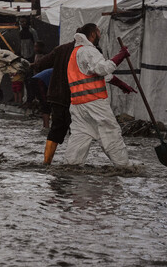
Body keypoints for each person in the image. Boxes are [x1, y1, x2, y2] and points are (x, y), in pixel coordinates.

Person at [62, 23, 138, 167]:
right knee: (110, 132)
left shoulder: (76, 52)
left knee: (80, 136)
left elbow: (98, 76)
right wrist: (121, 56)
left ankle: (71, 166)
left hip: (78, 105)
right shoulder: (89, 51)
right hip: (94, 103)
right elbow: (103, 69)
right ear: (92, 34)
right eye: (99, 34)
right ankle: (123, 166)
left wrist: (121, 84)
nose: (100, 37)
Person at [31, 36, 77, 164]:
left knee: (56, 129)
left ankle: (47, 162)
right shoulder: (88, 51)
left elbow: (41, 64)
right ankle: (72, 162)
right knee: (77, 130)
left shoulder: (61, 50)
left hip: (57, 96)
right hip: (76, 98)